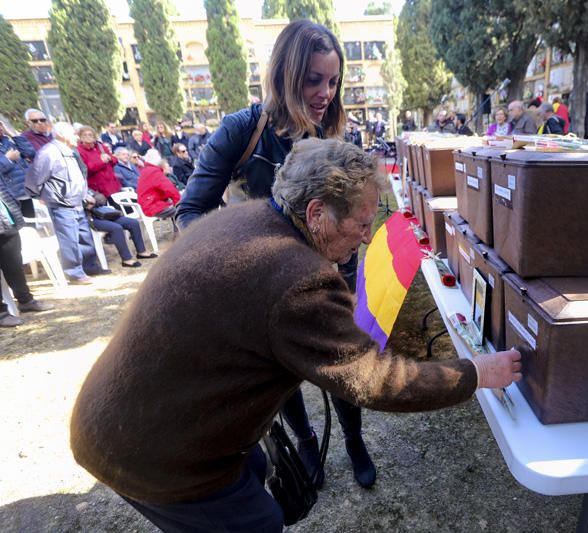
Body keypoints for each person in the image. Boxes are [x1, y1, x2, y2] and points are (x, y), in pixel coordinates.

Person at [70, 137, 522, 532]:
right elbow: (375, 378)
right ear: (317, 213)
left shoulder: (247, 218)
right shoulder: (296, 279)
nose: (367, 238)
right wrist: (474, 374)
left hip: (127, 415)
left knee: (255, 469)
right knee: (259, 523)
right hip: (147, 452)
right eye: (362, 224)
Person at [177, 20, 376, 492]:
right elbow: (190, 211)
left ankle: (354, 439)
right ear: (285, 73)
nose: (325, 92)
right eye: (313, 79)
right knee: (282, 375)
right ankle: (306, 441)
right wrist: (240, 261)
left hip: (332, 277)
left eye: (333, 80)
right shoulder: (242, 129)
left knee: (342, 363)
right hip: (264, 284)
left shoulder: (340, 137)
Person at [24, 122, 107, 284]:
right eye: (73, 133)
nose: (77, 136)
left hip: (77, 202)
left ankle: (89, 266)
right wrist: (41, 196)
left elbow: (78, 177)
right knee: (69, 239)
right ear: (62, 135)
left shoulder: (70, 151)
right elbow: (34, 179)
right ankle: (75, 273)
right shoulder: (49, 153)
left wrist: (85, 195)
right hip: (61, 204)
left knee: (84, 237)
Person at [0, 183, 54, 327]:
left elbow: (5, 190)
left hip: (7, 223)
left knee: (15, 266)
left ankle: (25, 301)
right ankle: (1, 314)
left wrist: (15, 211)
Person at [85, 189, 157, 268]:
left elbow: (102, 198)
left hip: (101, 213)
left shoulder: (84, 187)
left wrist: (94, 200)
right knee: (117, 228)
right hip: (89, 218)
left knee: (133, 223)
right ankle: (126, 259)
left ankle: (141, 252)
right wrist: (85, 205)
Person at [0, 116, 36, 218]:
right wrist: (7, 159)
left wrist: (14, 135)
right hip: (10, 197)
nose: (0, 128)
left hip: (26, 191)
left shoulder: (9, 141)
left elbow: (30, 153)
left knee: (32, 227)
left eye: (0, 124)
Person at [76, 126, 121, 199]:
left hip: (113, 184)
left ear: (94, 137)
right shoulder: (79, 151)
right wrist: (102, 161)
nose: (88, 136)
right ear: (80, 137)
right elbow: (86, 168)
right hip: (98, 188)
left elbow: (115, 160)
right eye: (84, 135)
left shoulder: (101, 147)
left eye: (90, 134)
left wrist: (109, 158)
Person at [137, 150, 181, 219]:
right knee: (183, 209)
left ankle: (177, 227)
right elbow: (169, 188)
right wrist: (180, 202)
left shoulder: (146, 170)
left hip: (149, 204)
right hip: (153, 206)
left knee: (177, 206)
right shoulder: (154, 172)